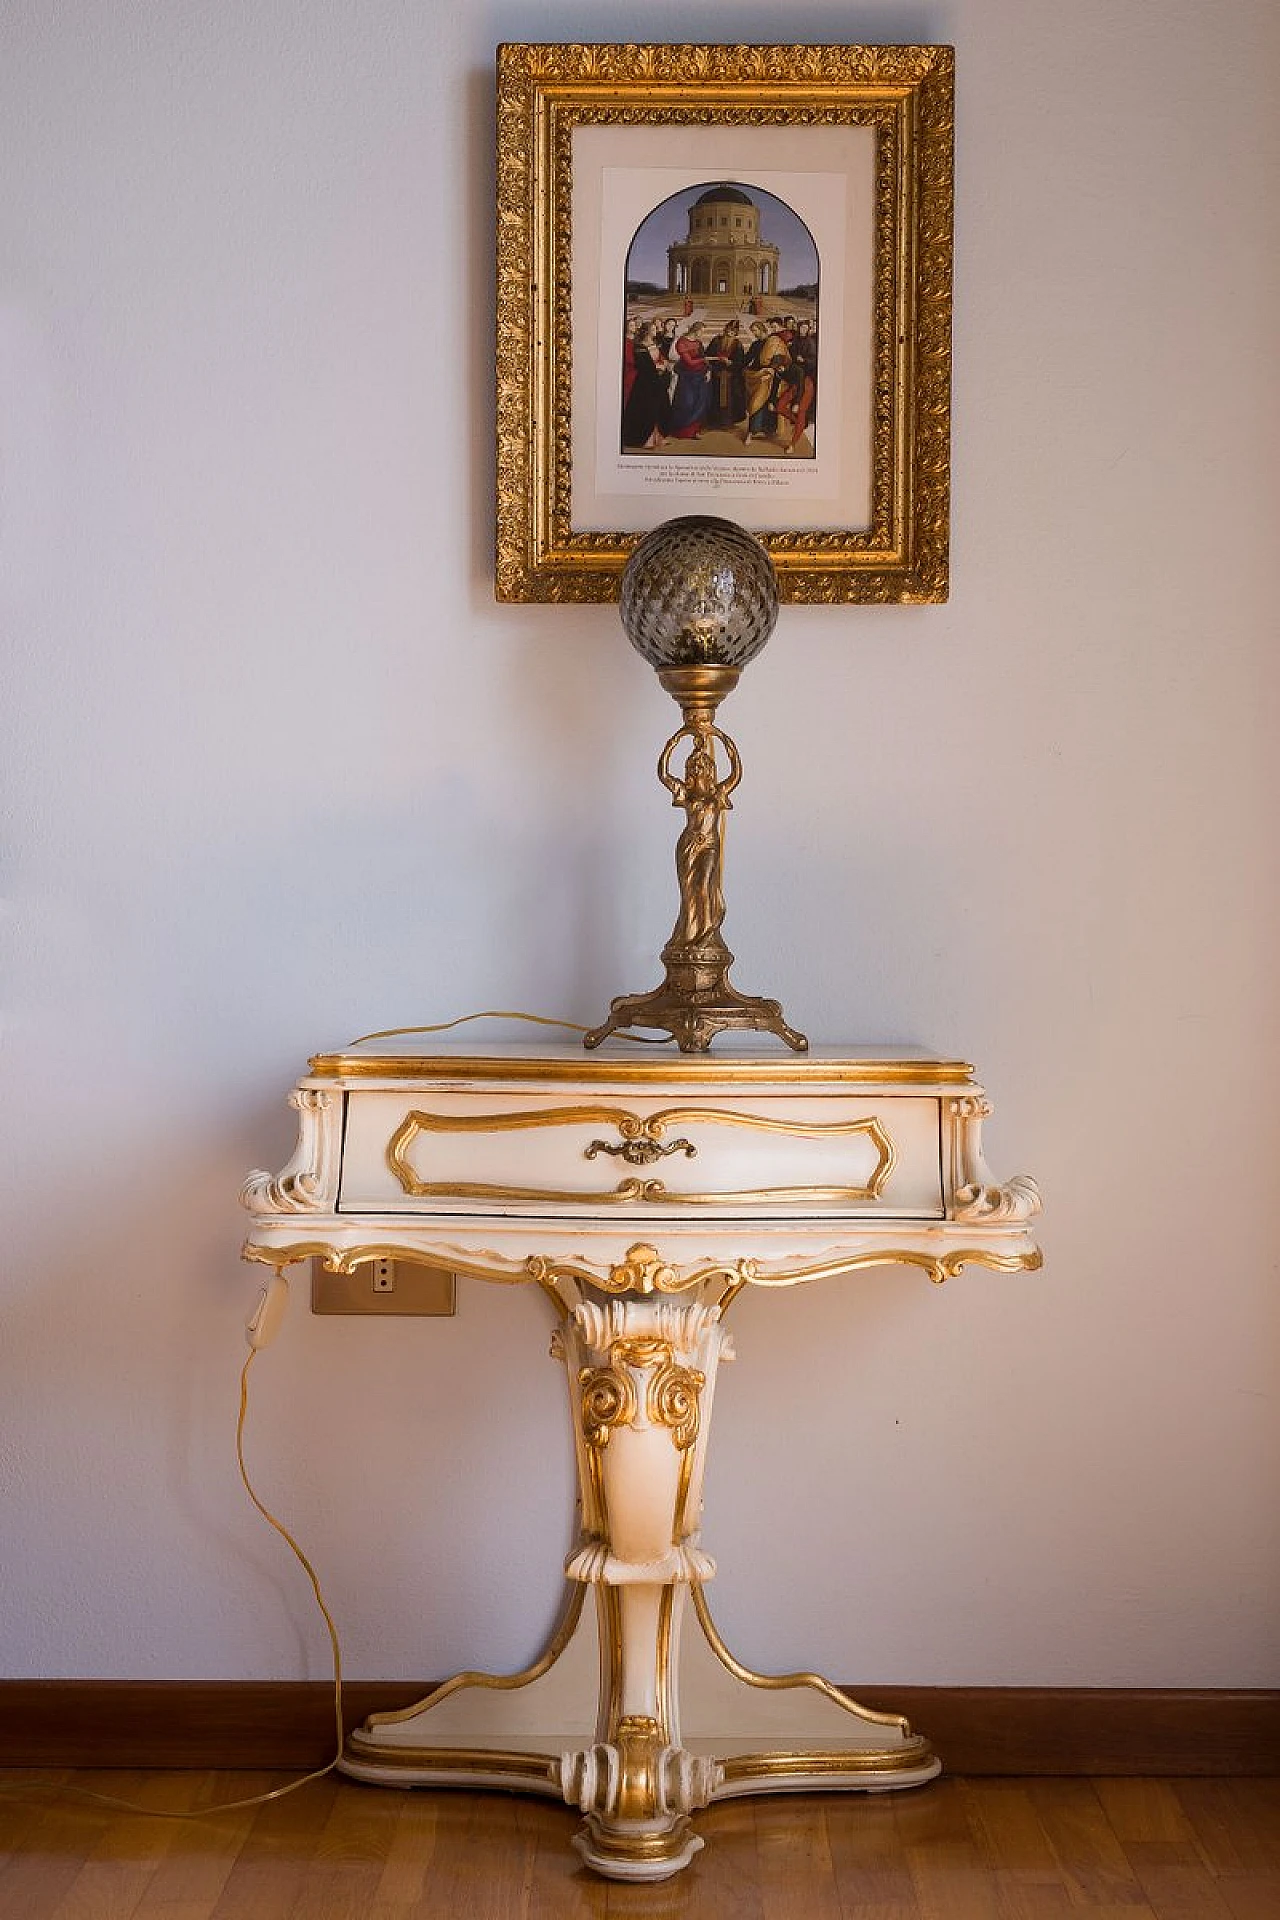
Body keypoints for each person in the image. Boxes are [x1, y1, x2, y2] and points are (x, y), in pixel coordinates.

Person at [660, 726, 742, 948]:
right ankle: (687, 935)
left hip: (708, 846)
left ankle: (707, 935)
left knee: (704, 885)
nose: (696, 768)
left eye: (701, 765)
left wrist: (727, 744)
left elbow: (736, 776)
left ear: (709, 769)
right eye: (693, 766)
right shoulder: (686, 794)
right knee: (688, 893)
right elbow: (664, 776)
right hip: (688, 846)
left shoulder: (717, 793)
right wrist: (672, 745)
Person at [620, 321, 669, 450]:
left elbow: (661, 357)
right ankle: (646, 440)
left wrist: (663, 364)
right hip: (644, 382)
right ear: (647, 331)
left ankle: (658, 437)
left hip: (656, 380)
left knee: (657, 408)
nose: (656, 330)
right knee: (647, 409)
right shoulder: (639, 346)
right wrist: (656, 367)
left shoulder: (655, 344)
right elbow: (643, 365)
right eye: (653, 329)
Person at [742, 321, 789, 443]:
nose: (754, 333)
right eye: (752, 331)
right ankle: (752, 431)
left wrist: (771, 368)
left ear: (762, 329)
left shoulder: (774, 341)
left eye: (755, 330)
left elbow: (780, 357)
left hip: (771, 376)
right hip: (758, 375)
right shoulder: (755, 344)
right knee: (755, 404)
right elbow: (747, 359)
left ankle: (768, 430)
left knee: (769, 404)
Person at [668, 323, 711, 439]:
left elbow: (703, 357)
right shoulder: (682, 342)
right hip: (687, 377)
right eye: (701, 331)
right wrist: (704, 359)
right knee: (687, 403)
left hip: (700, 376)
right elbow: (690, 362)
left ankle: (694, 431)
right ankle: (682, 431)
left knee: (700, 402)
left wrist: (708, 370)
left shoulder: (698, 342)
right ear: (695, 330)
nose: (702, 334)